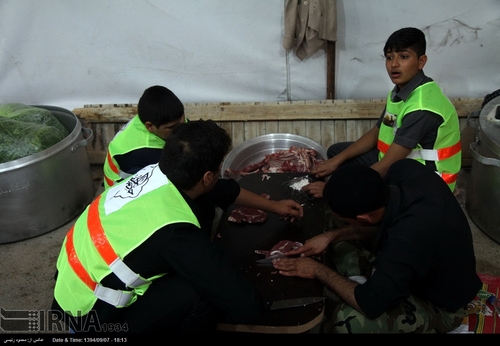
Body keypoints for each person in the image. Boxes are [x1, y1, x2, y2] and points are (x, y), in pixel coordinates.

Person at [51, 119, 304, 333]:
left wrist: (276, 206)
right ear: (207, 176)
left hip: (70, 288)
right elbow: (244, 306)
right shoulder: (174, 232)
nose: (218, 176)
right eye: (217, 170)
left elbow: (222, 189)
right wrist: (259, 307)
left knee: (203, 207)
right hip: (92, 318)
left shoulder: (156, 171)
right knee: (203, 295)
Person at [273, 159, 481, 333]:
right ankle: (360, 278)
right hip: (414, 256)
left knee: (348, 322)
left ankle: (426, 319)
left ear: (364, 217)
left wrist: (316, 269)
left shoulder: (408, 239)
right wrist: (331, 236)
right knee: (331, 218)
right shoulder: (405, 169)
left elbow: (369, 305)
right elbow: (374, 218)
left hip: (441, 306)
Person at [305, 27, 461, 198]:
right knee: (337, 152)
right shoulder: (399, 93)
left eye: (404, 57)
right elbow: (376, 133)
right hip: (396, 162)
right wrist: (336, 161)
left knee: (357, 191)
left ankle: (369, 217)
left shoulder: (422, 107)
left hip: (424, 180)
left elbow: (387, 165)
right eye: (389, 57)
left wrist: (334, 191)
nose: (394, 64)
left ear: (421, 61)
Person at [103, 85, 186, 189]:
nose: (181, 127)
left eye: (182, 118)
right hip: (121, 196)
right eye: (172, 127)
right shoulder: (144, 151)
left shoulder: (157, 117)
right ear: (150, 126)